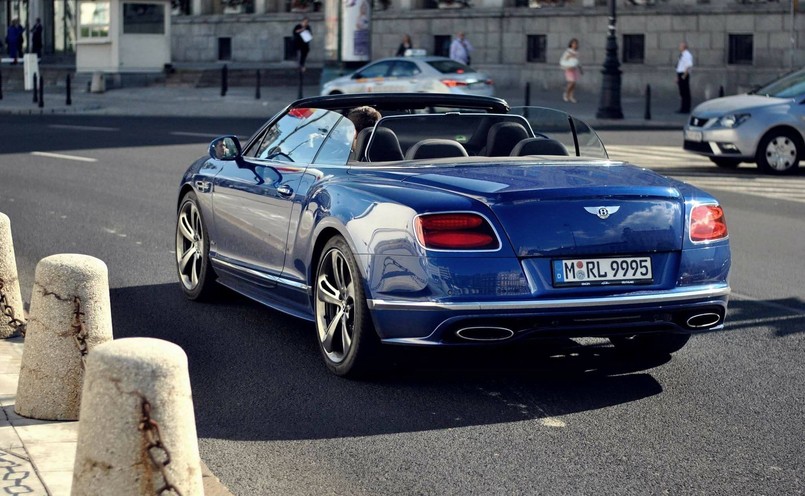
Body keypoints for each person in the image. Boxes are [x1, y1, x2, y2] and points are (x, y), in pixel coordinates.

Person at [559, 38, 582, 103]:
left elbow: (578, 61)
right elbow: (563, 59)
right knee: (571, 82)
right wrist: (569, 57)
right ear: (571, 44)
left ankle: (571, 96)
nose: (575, 45)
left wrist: (580, 69)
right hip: (569, 68)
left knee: (574, 83)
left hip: (574, 69)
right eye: (573, 43)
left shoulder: (577, 52)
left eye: (576, 44)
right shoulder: (568, 51)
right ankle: (566, 94)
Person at [676, 42, 694, 113]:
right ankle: (683, 107)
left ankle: (686, 108)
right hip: (680, 74)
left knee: (685, 92)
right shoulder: (682, 55)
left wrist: (684, 75)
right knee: (682, 92)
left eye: (680, 46)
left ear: (684, 47)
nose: (679, 47)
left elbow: (689, 65)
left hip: (684, 74)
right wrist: (678, 77)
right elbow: (680, 66)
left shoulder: (687, 55)